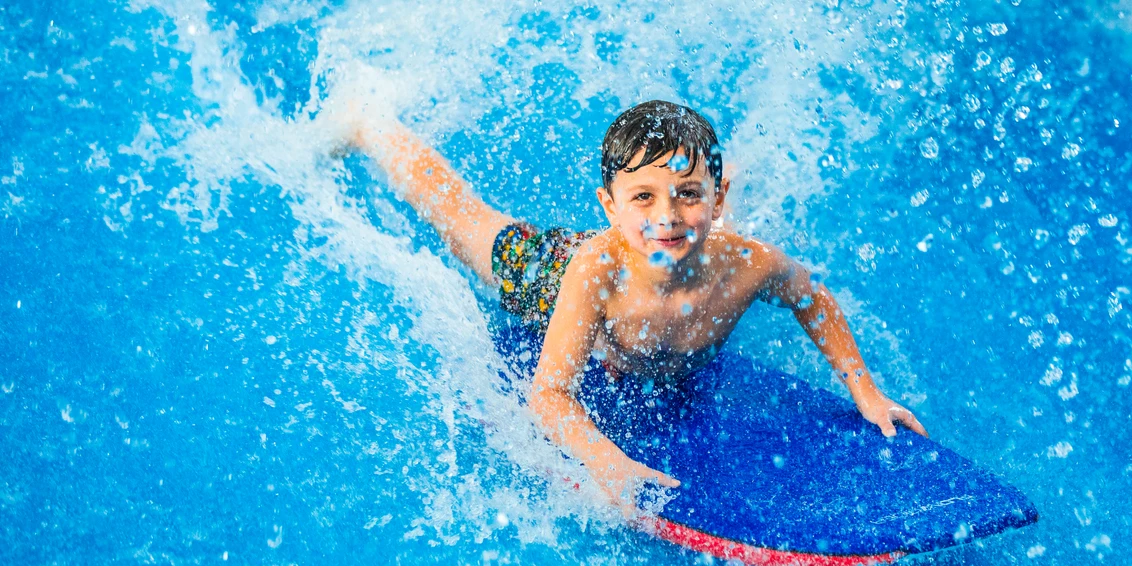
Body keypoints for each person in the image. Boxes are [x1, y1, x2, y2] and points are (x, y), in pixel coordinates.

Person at [338, 99, 926, 510]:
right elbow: (547, 394)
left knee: (702, 239)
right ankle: (371, 125)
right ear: (609, 205)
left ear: (714, 199)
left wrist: (865, 391)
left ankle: (725, 168)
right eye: (642, 197)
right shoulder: (592, 275)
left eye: (689, 194)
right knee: (466, 226)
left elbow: (813, 299)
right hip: (554, 271)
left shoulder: (748, 264)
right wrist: (604, 459)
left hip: (689, 261)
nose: (666, 215)